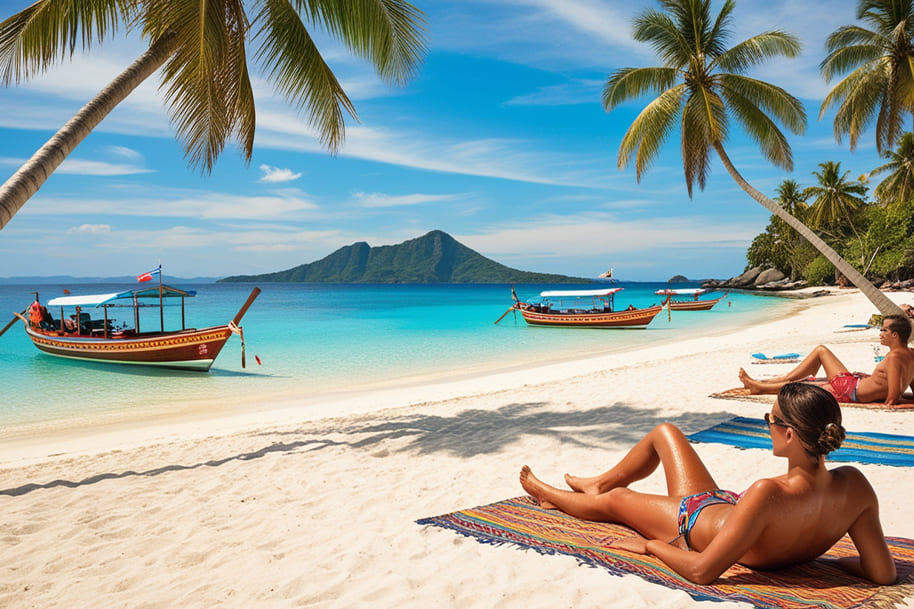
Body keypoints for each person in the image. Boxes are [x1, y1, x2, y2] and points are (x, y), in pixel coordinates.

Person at [519, 383, 896, 585]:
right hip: (725, 507)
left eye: (771, 418)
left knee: (620, 500)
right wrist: (838, 561)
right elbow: (883, 573)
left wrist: (651, 546)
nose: (767, 424)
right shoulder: (855, 485)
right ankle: (594, 484)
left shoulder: (770, 492)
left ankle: (546, 492)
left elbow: (703, 572)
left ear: (790, 436)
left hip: (693, 520)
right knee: (666, 433)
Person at [738, 314, 914, 406]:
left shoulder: (893, 357)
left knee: (818, 359)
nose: (880, 334)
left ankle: (761, 386)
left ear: (895, 335)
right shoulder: (911, 354)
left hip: (851, 390)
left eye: (884, 330)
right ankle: (771, 382)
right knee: (810, 381)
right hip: (856, 385)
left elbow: (892, 398)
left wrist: (898, 402)